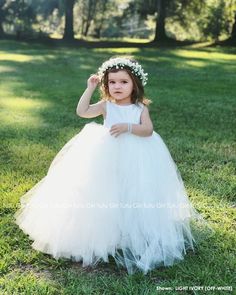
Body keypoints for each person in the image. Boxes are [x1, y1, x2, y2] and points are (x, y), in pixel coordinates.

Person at [15, 56, 201, 275]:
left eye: (123, 82)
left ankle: (133, 231)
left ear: (135, 84)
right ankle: (103, 233)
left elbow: (148, 130)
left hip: (136, 156)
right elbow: (82, 112)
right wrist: (89, 89)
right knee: (103, 191)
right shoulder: (105, 105)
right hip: (106, 155)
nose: (117, 86)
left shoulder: (140, 108)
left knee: (133, 189)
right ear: (106, 85)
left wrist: (129, 127)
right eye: (112, 82)